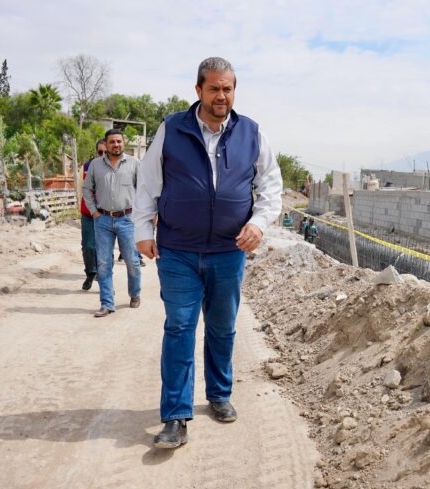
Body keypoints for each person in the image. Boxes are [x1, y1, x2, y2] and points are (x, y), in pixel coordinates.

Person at [134, 57, 283, 449]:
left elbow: (271, 187)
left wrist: (259, 223)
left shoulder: (252, 133)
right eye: (214, 88)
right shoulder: (172, 129)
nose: (222, 96)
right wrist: (141, 229)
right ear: (198, 90)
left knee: (222, 327)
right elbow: (148, 182)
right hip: (178, 248)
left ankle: (218, 394)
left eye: (228, 88)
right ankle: (175, 416)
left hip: (228, 250)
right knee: (180, 326)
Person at [82, 129, 141, 317]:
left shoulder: (134, 164)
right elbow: (86, 190)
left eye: (119, 141)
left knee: (132, 261)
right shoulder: (95, 165)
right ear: (106, 145)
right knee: (104, 263)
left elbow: (144, 190)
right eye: (112, 142)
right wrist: (94, 212)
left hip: (127, 219)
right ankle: (107, 303)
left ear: (123, 143)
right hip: (103, 220)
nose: (116, 145)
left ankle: (135, 293)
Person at [80, 140, 106, 291]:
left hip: (106, 214)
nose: (102, 155)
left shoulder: (114, 167)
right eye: (100, 152)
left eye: (105, 152)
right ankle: (90, 273)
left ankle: (105, 281)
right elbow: (80, 188)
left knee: (105, 249)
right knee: (88, 246)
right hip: (88, 213)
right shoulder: (86, 167)